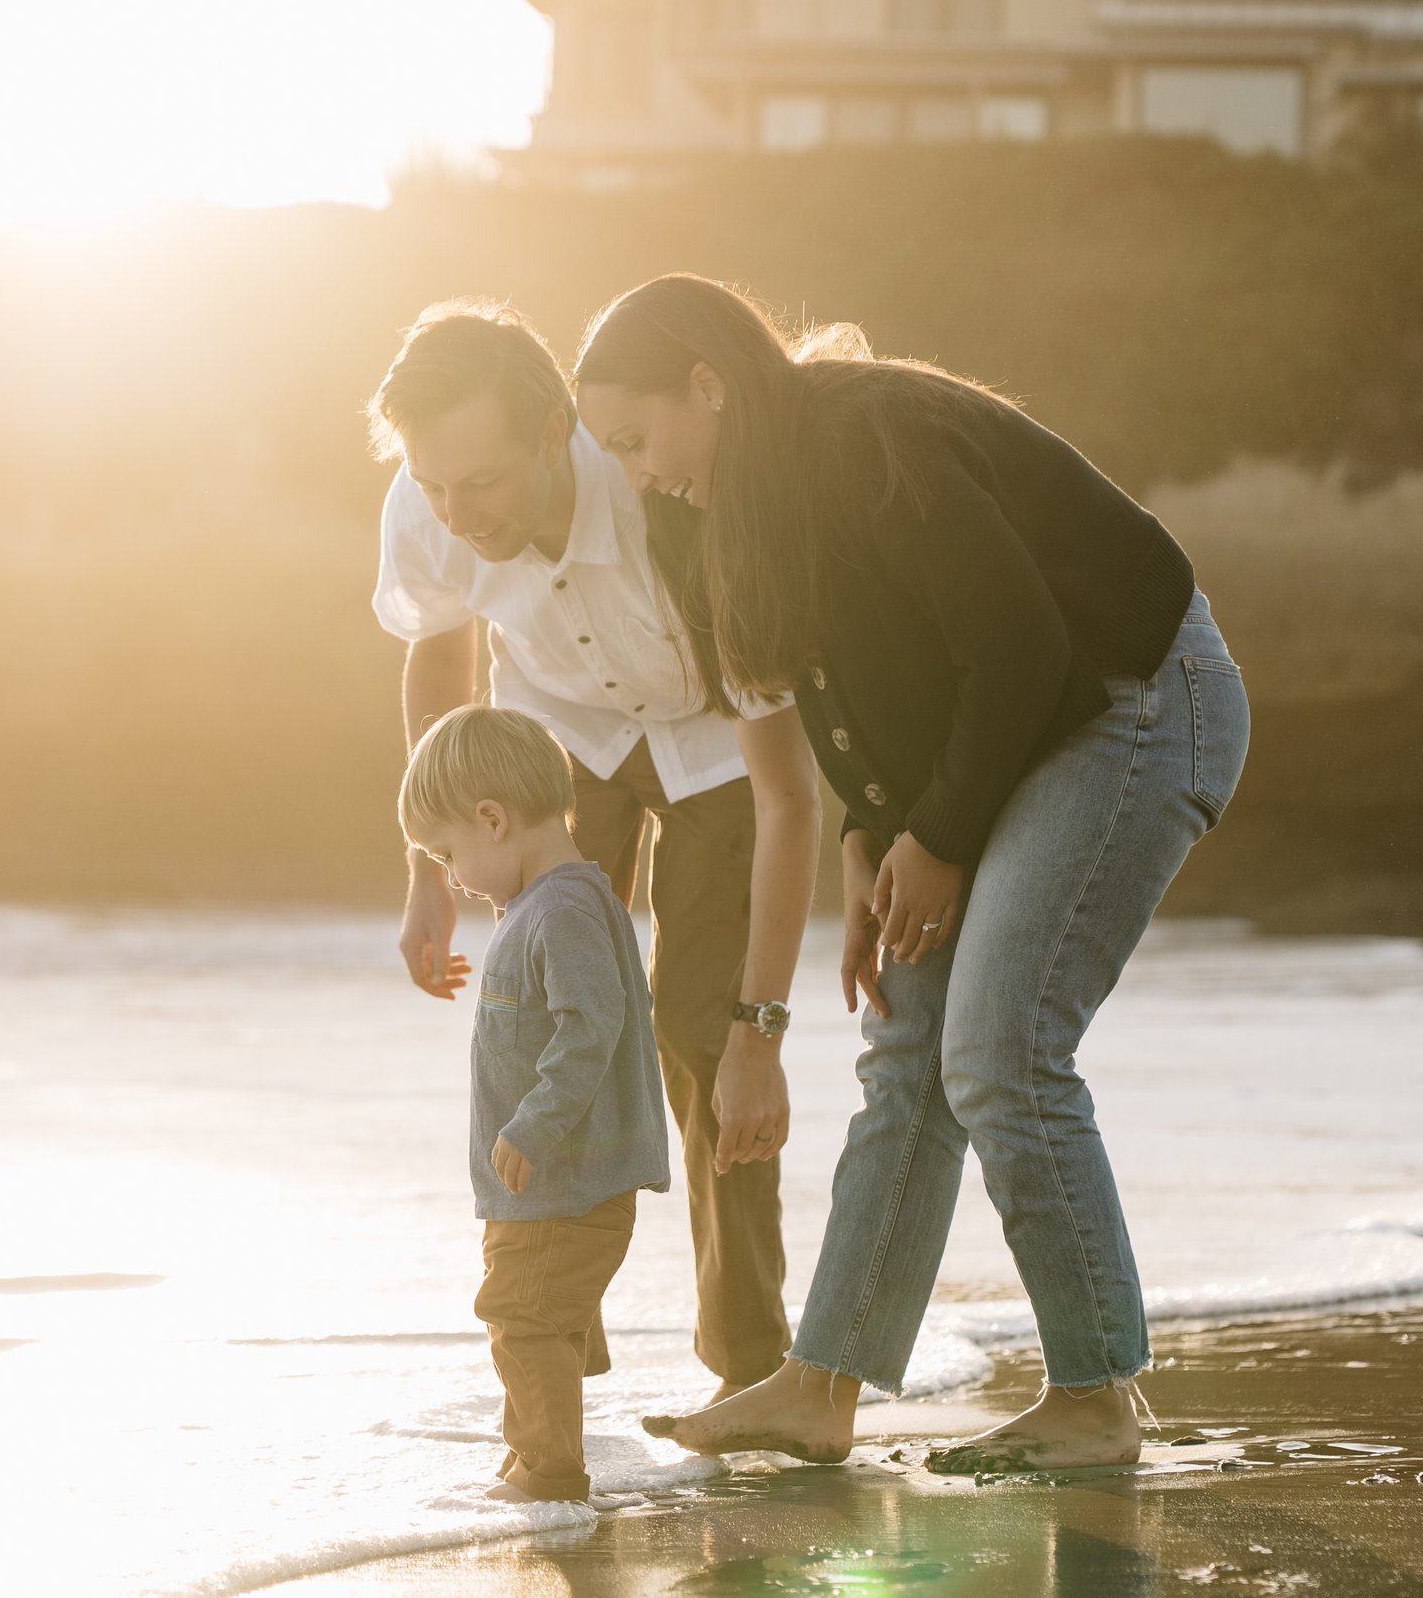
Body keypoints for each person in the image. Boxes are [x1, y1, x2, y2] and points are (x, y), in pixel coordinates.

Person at [572, 274, 1250, 1472]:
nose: (637, 472)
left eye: (636, 438)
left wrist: (935, 839)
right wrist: (870, 837)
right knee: (907, 1050)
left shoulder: (862, 435)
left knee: (999, 1049)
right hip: (1016, 732)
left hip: (1136, 703)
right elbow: (846, 678)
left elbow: (1016, 642)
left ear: (707, 385)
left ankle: (1097, 1396)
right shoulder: (753, 487)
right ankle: (821, 1382)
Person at [367, 300, 819, 1400]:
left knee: (697, 1036)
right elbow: (440, 671)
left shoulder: (665, 488)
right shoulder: (427, 509)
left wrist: (762, 1023)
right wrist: (426, 869)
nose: (455, 510)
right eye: (433, 483)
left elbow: (786, 792)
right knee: (541, 1020)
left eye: (480, 481)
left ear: (550, 432)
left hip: (712, 736)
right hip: (560, 736)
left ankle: (747, 1360)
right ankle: (564, 1333)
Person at [399, 703, 673, 1502]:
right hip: (546, 1183)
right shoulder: (543, 906)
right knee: (534, 1312)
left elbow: (592, 1029)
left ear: (493, 818)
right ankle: (535, 1452)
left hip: (562, 1179)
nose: (450, 874)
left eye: (449, 853)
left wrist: (534, 1123)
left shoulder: (561, 910)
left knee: (523, 1315)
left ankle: (550, 1468)